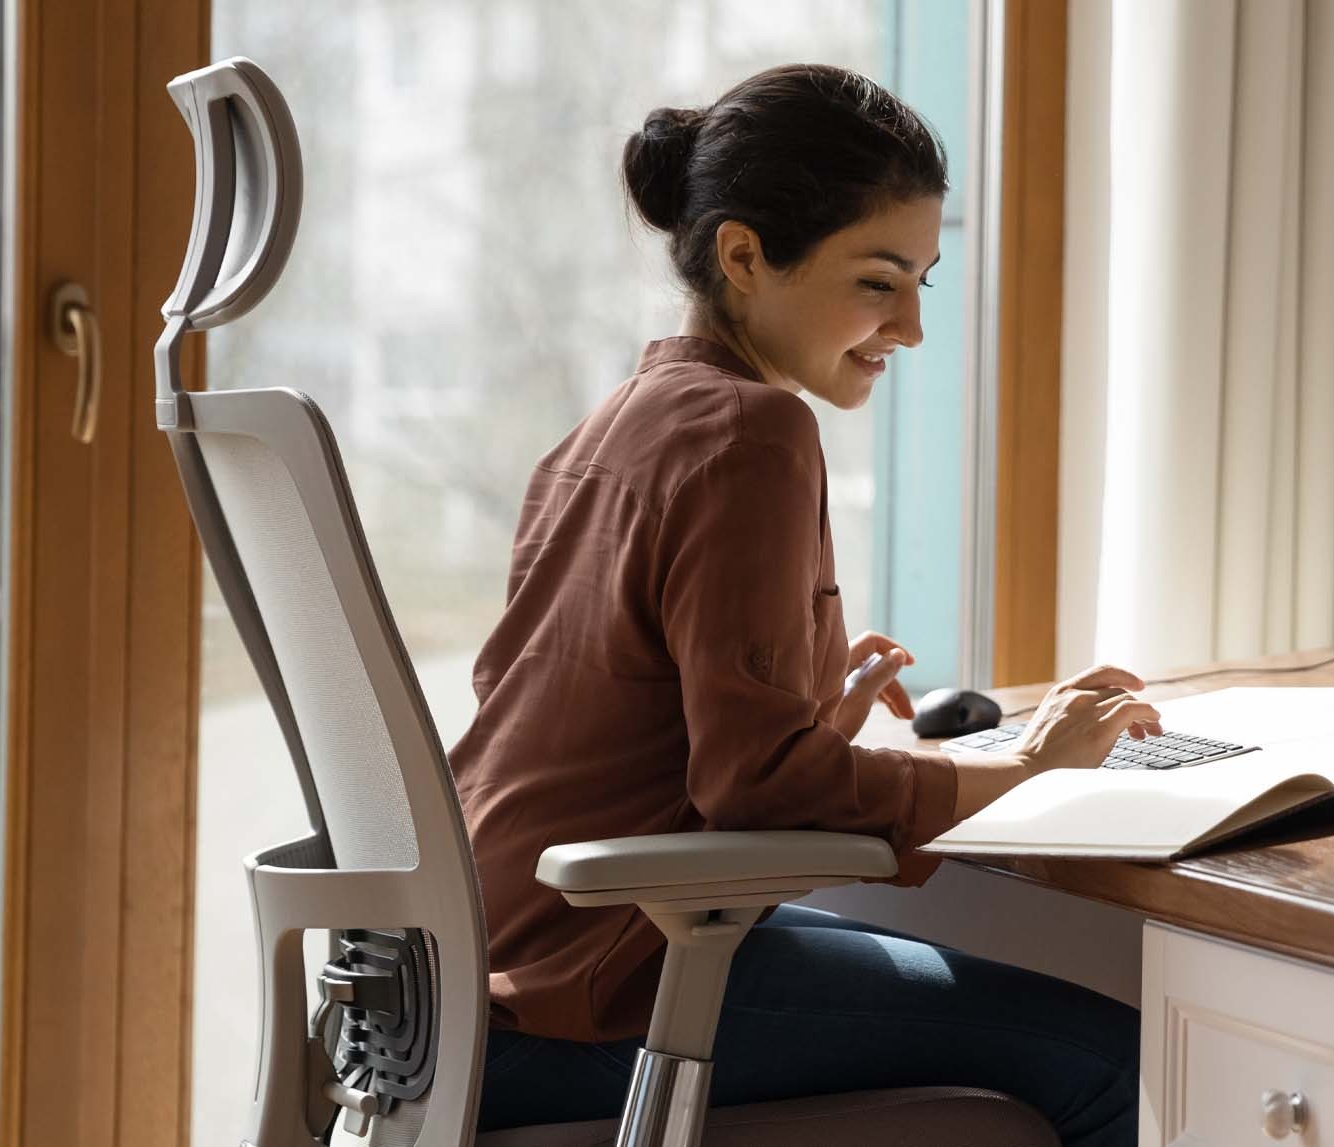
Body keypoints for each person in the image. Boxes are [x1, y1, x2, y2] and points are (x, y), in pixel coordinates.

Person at [450, 65, 1157, 1144]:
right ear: (743, 256)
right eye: (879, 282)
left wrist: (809, 716)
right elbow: (752, 784)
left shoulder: (608, 431)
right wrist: (1020, 767)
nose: (913, 326)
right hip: (593, 992)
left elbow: (613, 732)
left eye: (923, 277)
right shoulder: (750, 434)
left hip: (468, 987)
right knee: (1123, 1064)